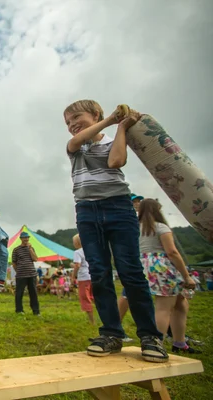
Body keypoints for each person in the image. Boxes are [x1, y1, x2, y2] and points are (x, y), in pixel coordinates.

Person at [64, 99, 167, 362]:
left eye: (77, 118)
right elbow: (74, 143)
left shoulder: (112, 139)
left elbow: (117, 160)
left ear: (95, 114)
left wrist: (121, 128)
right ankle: (111, 333)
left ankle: (149, 336)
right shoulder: (76, 147)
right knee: (99, 272)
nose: (72, 124)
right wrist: (113, 120)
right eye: (67, 122)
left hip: (119, 208)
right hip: (87, 210)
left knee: (130, 271)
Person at [138, 199, 200, 354]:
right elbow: (172, 252)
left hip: (145, 266)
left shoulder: (136, 228)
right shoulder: (160, 227)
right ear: (156, 210)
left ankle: (179, 342)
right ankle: (156, 345)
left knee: (181, 303)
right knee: (163, 308)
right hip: (162, 266)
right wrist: (187, 276)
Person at [11, 232, 40, 315]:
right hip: (21, 275)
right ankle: (19, 310)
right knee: (19, 293)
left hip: (32, 274)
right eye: (24, 238)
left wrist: (30, 249)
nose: (26, 239)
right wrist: (19, 270)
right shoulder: (16, 250)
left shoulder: (31, 248)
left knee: (33, 293)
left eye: (27, 238)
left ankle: (36, 311)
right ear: (21, 239)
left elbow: (35, 259)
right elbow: (14, 263)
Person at [71, 234, 95, 325]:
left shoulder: (77, 252)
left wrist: (73, 276)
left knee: (85, 298)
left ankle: (92, 321)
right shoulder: (90, 250)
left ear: (77, 242)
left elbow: (77, 265)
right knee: (95, 297)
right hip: (92, 276)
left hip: (84, 278)